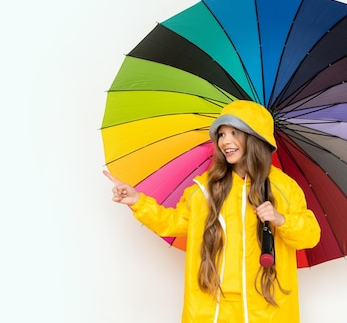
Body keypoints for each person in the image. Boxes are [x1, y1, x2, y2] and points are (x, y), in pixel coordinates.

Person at [104, 100, 320, 323]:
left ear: (255, 137)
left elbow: (311, 235)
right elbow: (173, 222)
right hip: (211, 310)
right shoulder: (205, 189)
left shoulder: (284, 188)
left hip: (266, 310)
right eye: (221, 134)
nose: (225, 141)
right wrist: (138, 201)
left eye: (234, 132)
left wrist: (280, 219)